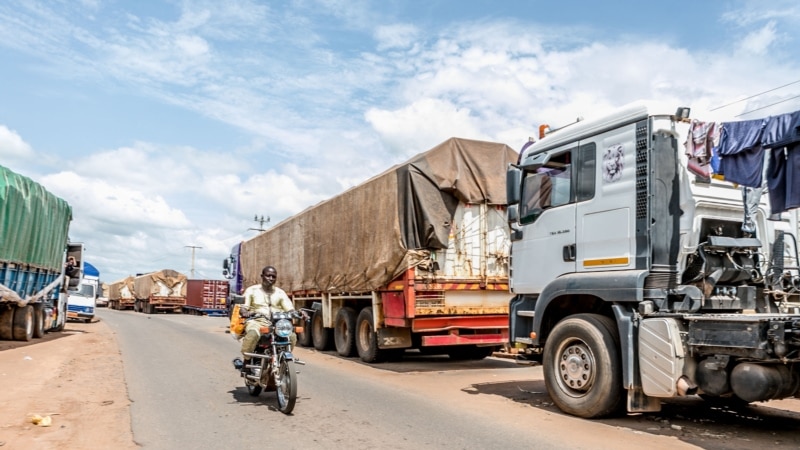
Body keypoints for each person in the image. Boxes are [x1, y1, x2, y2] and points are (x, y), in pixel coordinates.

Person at [237, 266, 298, 367]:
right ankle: (246, 362)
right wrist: (244, 311)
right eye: (268, 276)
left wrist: (297, 313)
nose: (270, 278)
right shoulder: (252, 290)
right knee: (253, 334)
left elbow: (289, 308)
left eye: (273, 276)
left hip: (276, 324)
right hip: (257, 321)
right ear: (262, 276)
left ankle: (283, 360)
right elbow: (244, 306)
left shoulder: (280, 292)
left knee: (291, 336)